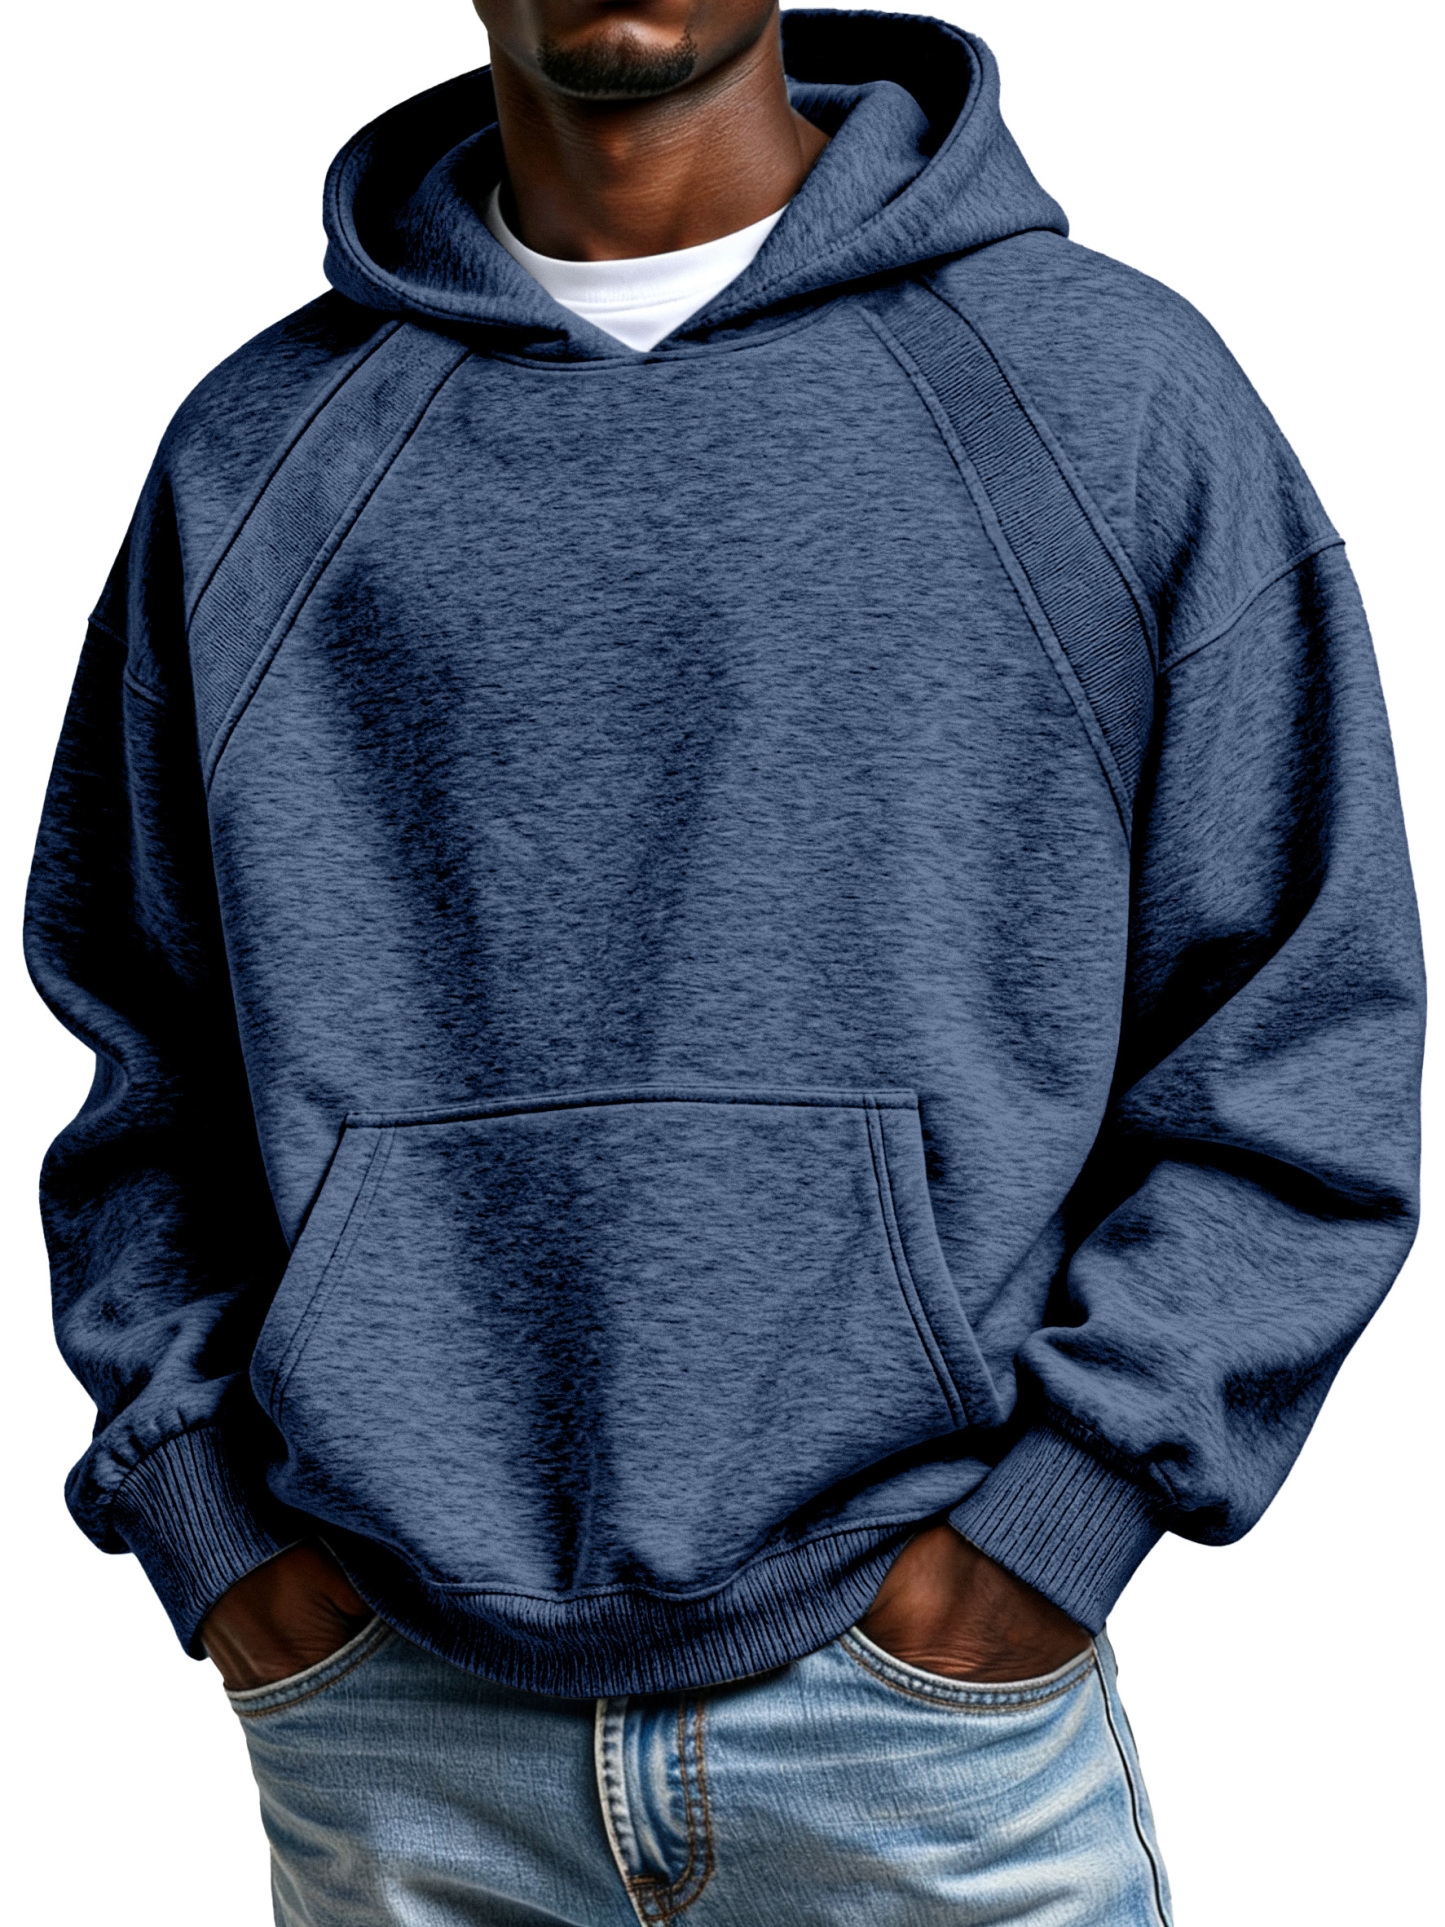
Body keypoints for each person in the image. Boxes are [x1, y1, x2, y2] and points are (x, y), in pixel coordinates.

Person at [23, 1, 1423, 1922]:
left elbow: (1301, 1025)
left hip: (922, 1727)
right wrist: (212, 1531)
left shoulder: (1100, 396)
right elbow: (143, 1059)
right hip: (397, 1730)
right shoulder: (260, 452)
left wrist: (1062, 1518)